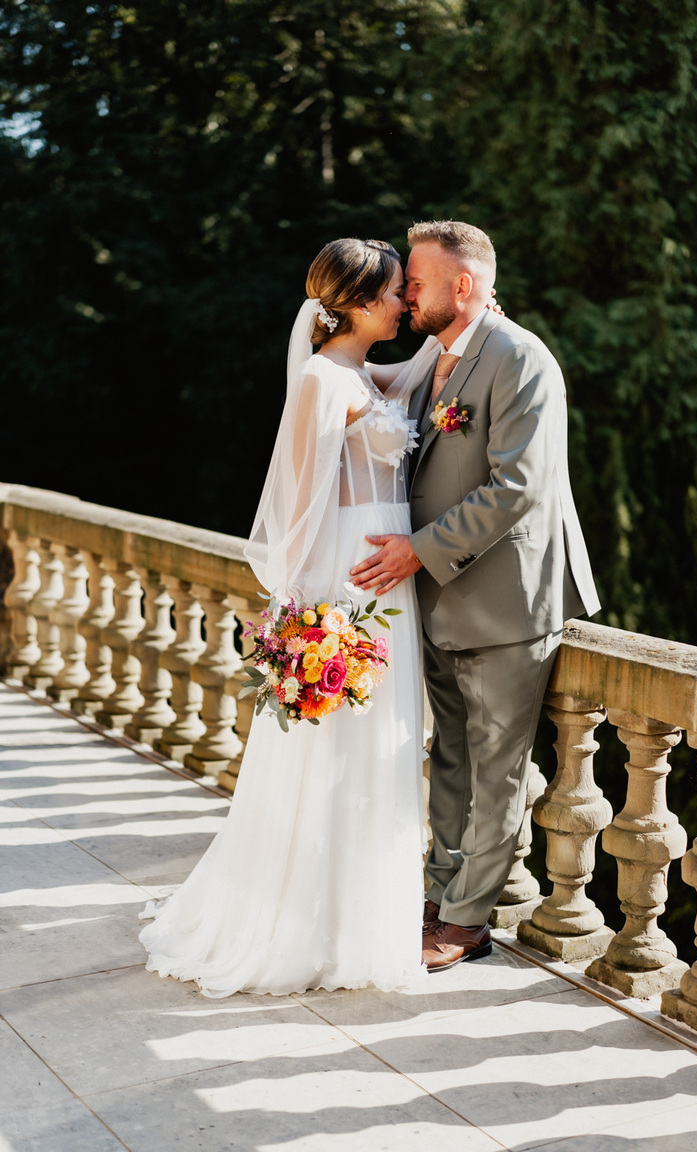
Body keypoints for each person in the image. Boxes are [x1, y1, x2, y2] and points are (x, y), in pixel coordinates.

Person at [139, 237, 429, 997]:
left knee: (375, 754)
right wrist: (300, 623)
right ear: (364, 302)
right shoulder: (320, 381)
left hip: (387, 580)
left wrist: (469, 317)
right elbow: (298, 507)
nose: (406, 302)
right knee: (331, 754)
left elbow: (420, 370)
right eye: (397, 290)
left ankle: (358, 922)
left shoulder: (365, 370)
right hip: (347, 581)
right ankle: (304, 927)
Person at [350, 220, 600, 972]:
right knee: (451, 757)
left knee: (497, 767)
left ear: (463, 285)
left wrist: (417, 552)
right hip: (440, 600)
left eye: (417, 281)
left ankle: (466, 923)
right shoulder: (439, 358)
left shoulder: (521, 359)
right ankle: (438, 895)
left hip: (504, 600)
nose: (406, 293)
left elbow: (518, 488)